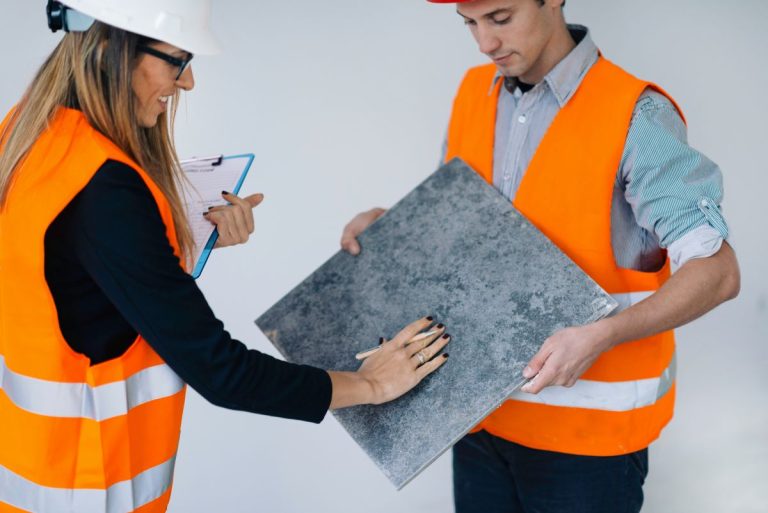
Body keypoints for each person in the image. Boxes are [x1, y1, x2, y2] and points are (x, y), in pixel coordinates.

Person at [0, 1, 451, 512]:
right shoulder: (107, 191)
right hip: (90, 490)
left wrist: (177, 233)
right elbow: (223, 373)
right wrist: (371, 383)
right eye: (177, 59)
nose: (187, 82)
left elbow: (73, 279)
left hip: (36, 470)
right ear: (110, 48)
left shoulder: (28, 134)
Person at [340, 0, 741, 512]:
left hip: (586, 444)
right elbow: (464, 235)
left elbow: (719, 272)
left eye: (501, 18)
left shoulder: (634, 114)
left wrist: (604, 333)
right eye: (470, 24)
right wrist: (394, 224)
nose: (485, 43)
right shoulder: (472, 94)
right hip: (476, 419)